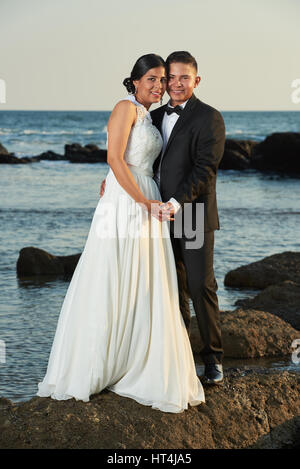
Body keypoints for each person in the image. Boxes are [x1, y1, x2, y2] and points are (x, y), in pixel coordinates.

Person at [37, 53, 205, 413]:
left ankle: (136, 357)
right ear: (134, 81)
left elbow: (133, 158)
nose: (159, 87)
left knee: (146, 279)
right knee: (111, 274)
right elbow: (115, 158)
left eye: (162, 80)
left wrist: (141, 192)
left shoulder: (150, 114)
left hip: (145, 195)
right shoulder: (124, 108)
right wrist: (140, 199)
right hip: (129, 202)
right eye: (152, 80)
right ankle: (100, 361)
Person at [101, 52, 226, 385]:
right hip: (155, 213)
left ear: (196, 80)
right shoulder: (151, 116)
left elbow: (205, 170)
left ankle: (213, 359)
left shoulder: (209, 117)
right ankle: (179, 354)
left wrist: (175, 203)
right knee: (171, 286)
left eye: (184, 77)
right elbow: (128, 154)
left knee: (201, 285)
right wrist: (110, 178)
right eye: (171, 77)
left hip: (192, 213)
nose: (175, 83)